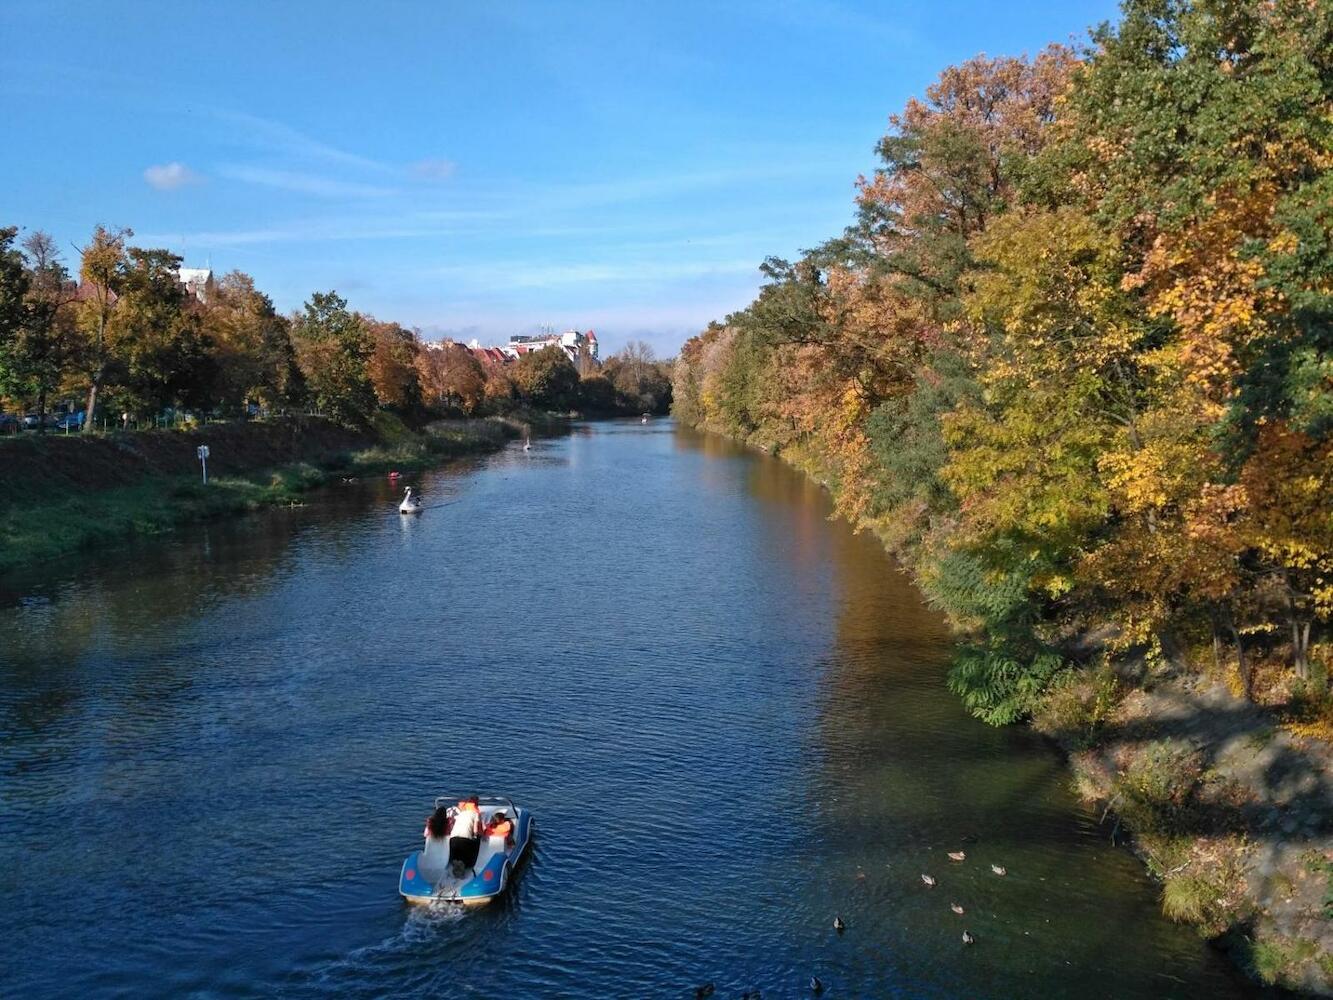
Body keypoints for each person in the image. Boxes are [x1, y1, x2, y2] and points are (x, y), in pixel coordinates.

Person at [449, 795, 482, 876]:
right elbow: (475, 830)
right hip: (465, 839)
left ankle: (455, 861)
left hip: (453, 838)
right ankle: (464, 864)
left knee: (456, 854)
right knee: (467, 856)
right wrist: (477, 836)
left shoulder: (461, 813)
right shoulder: (475, 814)